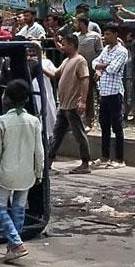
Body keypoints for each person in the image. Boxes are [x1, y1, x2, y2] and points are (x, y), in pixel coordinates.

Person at [0, 79, 44, 263]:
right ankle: (12, 246)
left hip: (7, 171)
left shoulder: (1, 121)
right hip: (27, 172)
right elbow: (39, 151)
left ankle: (16, 243)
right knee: (19, 209)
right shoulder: (34, 121)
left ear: (8, 98)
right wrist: (39, 172)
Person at [50, 34, 91, 173]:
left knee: (79, 134)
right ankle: (48, 162)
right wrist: (40, 65)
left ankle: (85, 163)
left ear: (72, 45)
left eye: (64, 44)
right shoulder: (67, 61)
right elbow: (55, 74)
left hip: (73, 105)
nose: (62, 47)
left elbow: (85, 80)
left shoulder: (80, 61)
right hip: (63, 105)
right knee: (57, 134)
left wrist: (83, 101)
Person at [93, 24, 129, 169]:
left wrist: (101, 67)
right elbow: (94, 62)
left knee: (117, 126)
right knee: (104, 125)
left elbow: (114, 69)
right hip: (104, 92)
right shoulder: (106, 50)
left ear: (115, 34)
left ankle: (120, 159)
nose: (105, 37)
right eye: (104, 34)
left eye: (108, 34)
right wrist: (102, 66)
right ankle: (105, 156)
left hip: (115, 92)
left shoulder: (122, 51)